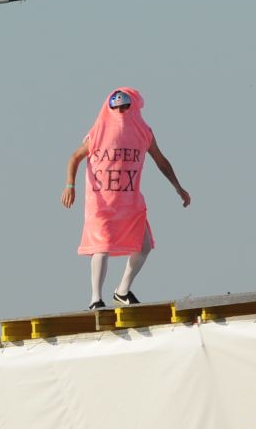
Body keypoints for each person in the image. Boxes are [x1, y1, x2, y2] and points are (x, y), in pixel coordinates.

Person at [61, 88, 191, 310]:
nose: (120, 111)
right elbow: (74, 157)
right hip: (102, 202)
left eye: (125, 107)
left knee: (145, 245)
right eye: (116, 107)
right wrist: (70, 185)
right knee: (101, 247)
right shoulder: (98, 132)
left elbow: (160, 160)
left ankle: (122, 291)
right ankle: (95, 299)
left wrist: (178, 187)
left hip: (129, 202)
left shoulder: (143, 132)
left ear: (133, 107)